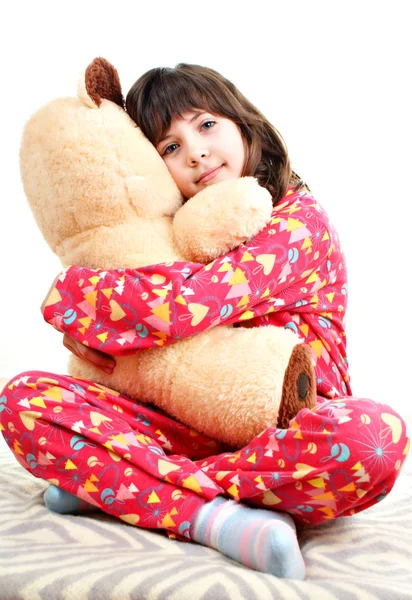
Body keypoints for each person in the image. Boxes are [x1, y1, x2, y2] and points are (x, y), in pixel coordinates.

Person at [1, 64, 409, 580]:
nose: (194, 150)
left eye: (206, 125)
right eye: (169, 148)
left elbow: (185, 305)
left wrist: (71, 298)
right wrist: (99, 330)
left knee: (375, 437)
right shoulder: (172, 233)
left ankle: (130, 486)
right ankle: (213, 518)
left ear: (242, 123)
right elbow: (138, 331)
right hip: (184, 427)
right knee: (24, 399)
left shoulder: (298, 219)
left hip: (287, 427)